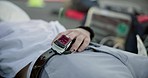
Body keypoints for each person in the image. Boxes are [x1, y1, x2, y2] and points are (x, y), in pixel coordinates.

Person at [0, 20, 148, 78]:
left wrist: (84, 31)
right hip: (58, 63)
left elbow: (71, 31)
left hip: (101, 50)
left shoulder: (31, 21)